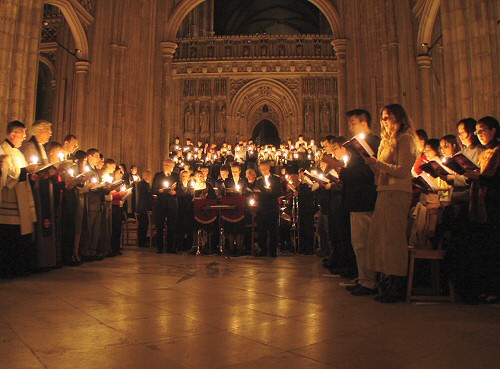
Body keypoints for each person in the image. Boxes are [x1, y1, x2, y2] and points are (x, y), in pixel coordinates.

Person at [365, 104, 417, 303]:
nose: (385, 121)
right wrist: (372, 164)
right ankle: (385, 281)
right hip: (384, 191)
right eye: (383, 117)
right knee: (381, 238)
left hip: (398, 192)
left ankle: (397, 285)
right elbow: (381, 171)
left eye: (389, 117)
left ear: (400, 118)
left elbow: (403, 170)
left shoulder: (406, 139)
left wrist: (376, 163)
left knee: (393, 239)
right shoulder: (386, 142)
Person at [332, 110, 380, 295]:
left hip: (363, 198)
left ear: (363, 122)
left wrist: (344, 173)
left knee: (364, 241)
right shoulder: (359, 145)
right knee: (358, 241)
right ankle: (363, 278)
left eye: (353, 123)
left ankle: (369, 281)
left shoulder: (370, 143)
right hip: (356, 199)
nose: (350, 126)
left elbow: (367, 172)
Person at [460, 116, 499, 303]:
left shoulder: (498, 151)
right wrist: (469, 176)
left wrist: (478, 177)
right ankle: (486, 287)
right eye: (477, 131)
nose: (479, 134)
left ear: (493, 130)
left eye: (482, 130)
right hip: (479, 202)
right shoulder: (485, 152)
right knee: (483, 246)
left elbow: (492, 178)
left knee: (493, 246)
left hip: (493, 203)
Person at [0, 121, 37, 277]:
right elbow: (4, 179)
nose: (24, 136)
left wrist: (31, 175)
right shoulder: (3, 151)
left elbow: (21, 175)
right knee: (9, 237)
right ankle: (7, 270)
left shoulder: (18, 152)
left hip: (21, 200)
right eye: (22, 133)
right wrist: (24, 172)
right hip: (10, 203)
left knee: (20, 237)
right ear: (12, 134)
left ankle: (19, 267)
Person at [255, 161, 283, 256]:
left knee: (273, 230)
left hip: (272, 207)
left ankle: (272, 251)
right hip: (262, 207)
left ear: (269, 168)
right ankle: (262, 250)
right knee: (261, 229)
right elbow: (257, 191)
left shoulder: (275, 179)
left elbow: (279, 192)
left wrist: (271, 191)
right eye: (262, 169)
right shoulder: (259, 180)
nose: (263, 171)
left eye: (265, 169)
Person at [151, 159, 179, 253]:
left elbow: (180, 190)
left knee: (172, 226)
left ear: (172, 166)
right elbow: (153, 190)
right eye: (165, 164)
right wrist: (160, 190)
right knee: (159, 226)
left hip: (172, 204)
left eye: (168, 165)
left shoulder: (175, 176)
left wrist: (174, 192)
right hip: (161, 204)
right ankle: (159, 248)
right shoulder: (158, 176)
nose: (166, 166)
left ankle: (171, 248)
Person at [136, 171, 152, 247]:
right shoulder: (142, 184)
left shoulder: (147, 184)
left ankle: (143, 241)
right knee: (143, 225)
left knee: (144, 224)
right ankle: (141, 242)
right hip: (142, 207)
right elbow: (144, 195)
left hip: (144, 207)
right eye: (148, 175)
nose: (150, 176)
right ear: (144, 175)